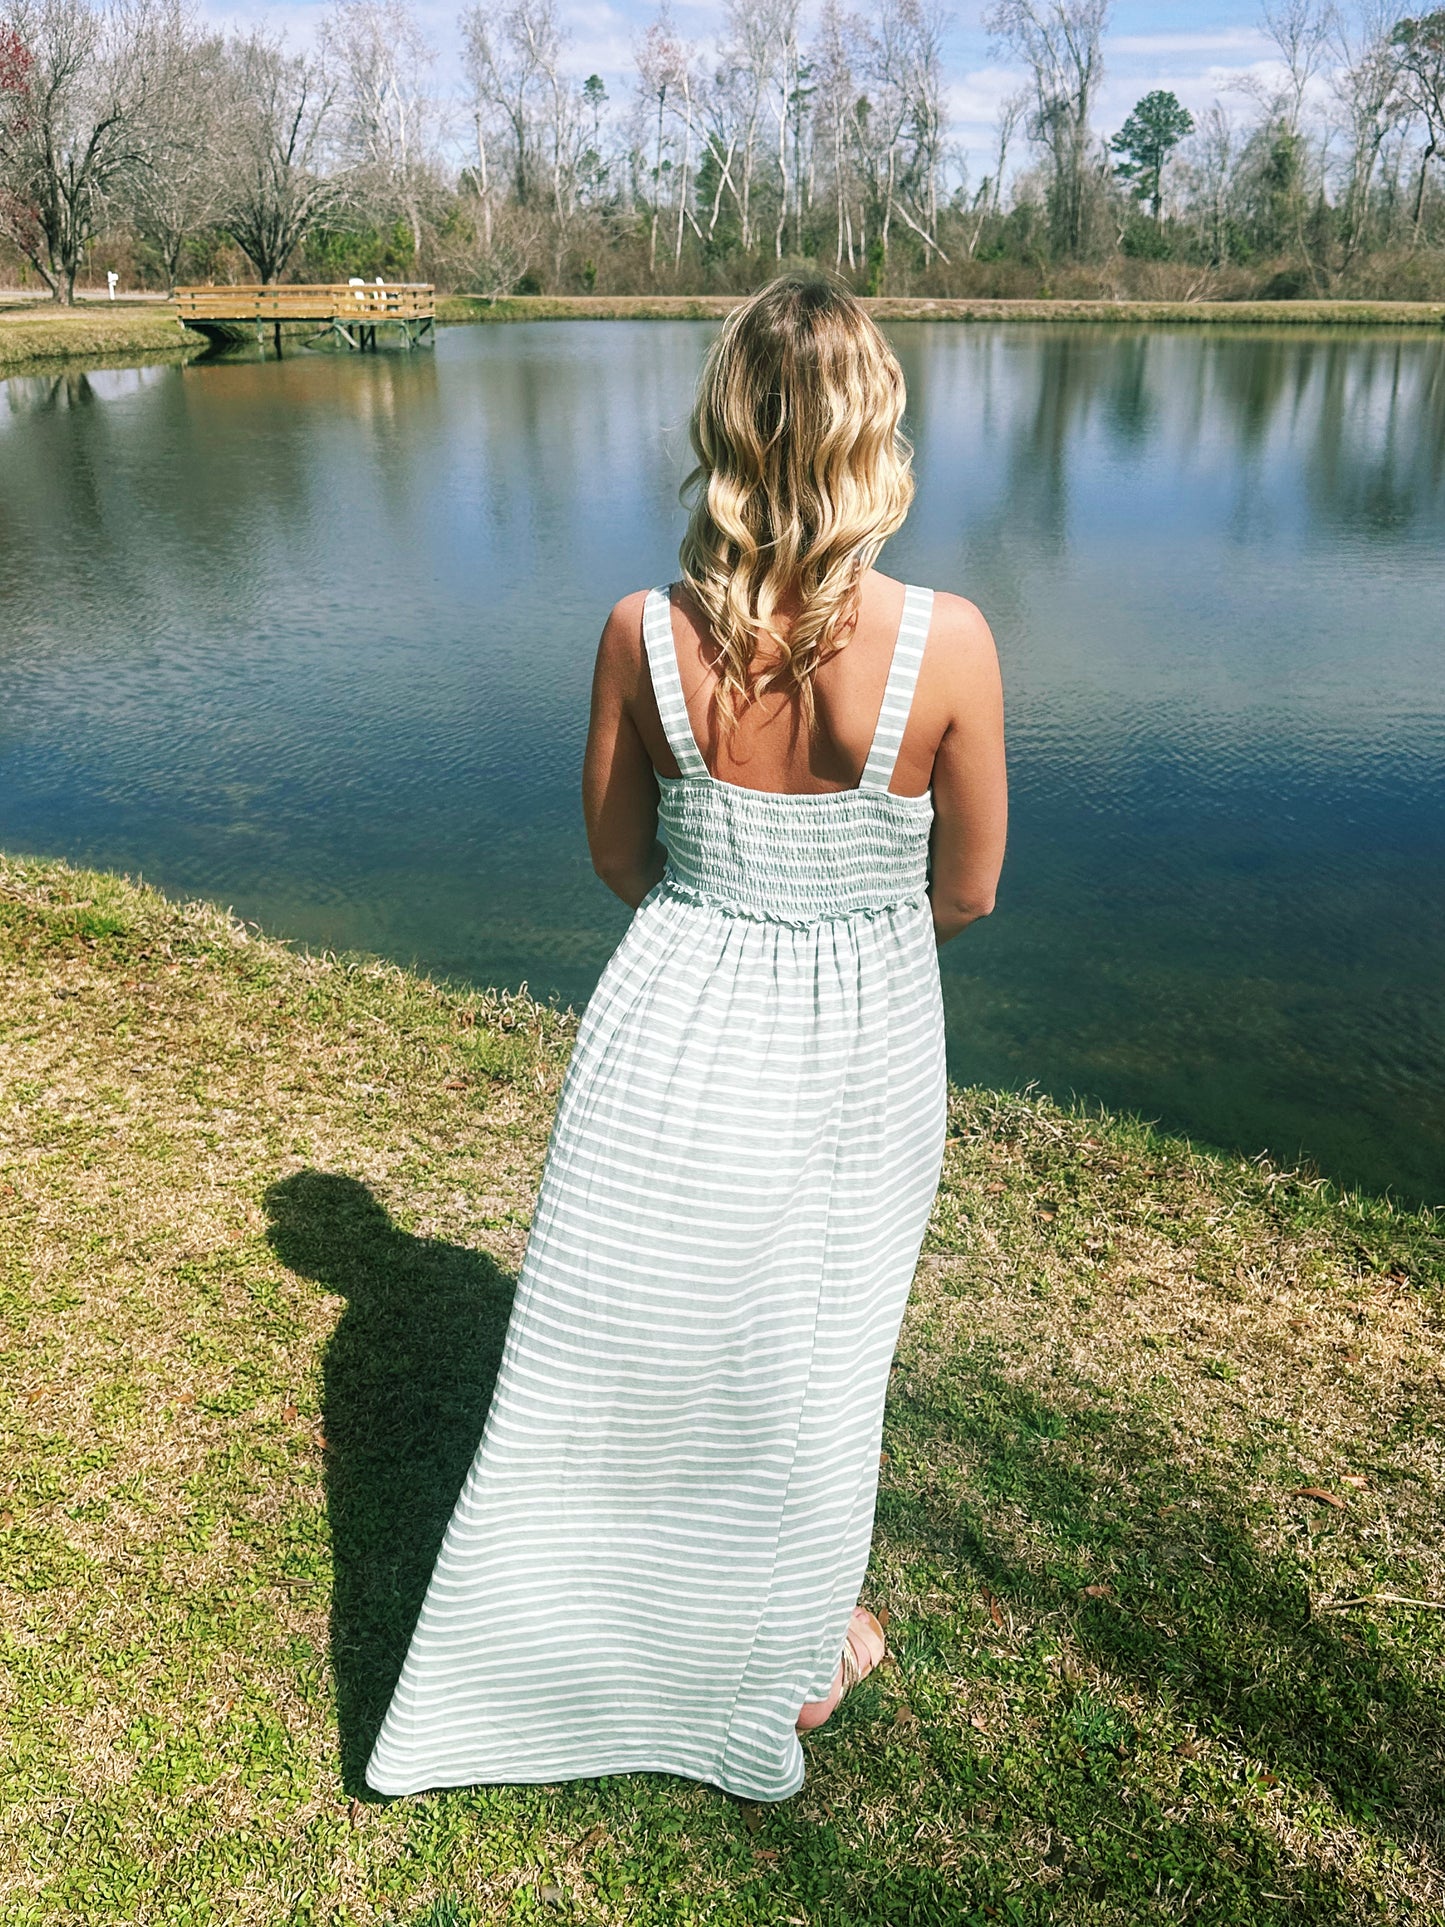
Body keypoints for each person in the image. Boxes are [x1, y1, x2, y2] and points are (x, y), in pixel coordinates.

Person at [366, 273, 1008, 1805]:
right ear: (875, 438)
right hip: (862, 1028)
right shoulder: (952, 640)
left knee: (634, 1341)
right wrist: (845, 940)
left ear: (720, 427)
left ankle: (589, 1637)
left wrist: (724, 925)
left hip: (670, 1008)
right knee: (811, 1353)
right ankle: (788, 1654)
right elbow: (969, 892)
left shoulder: (636, 632)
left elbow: (615, 855)